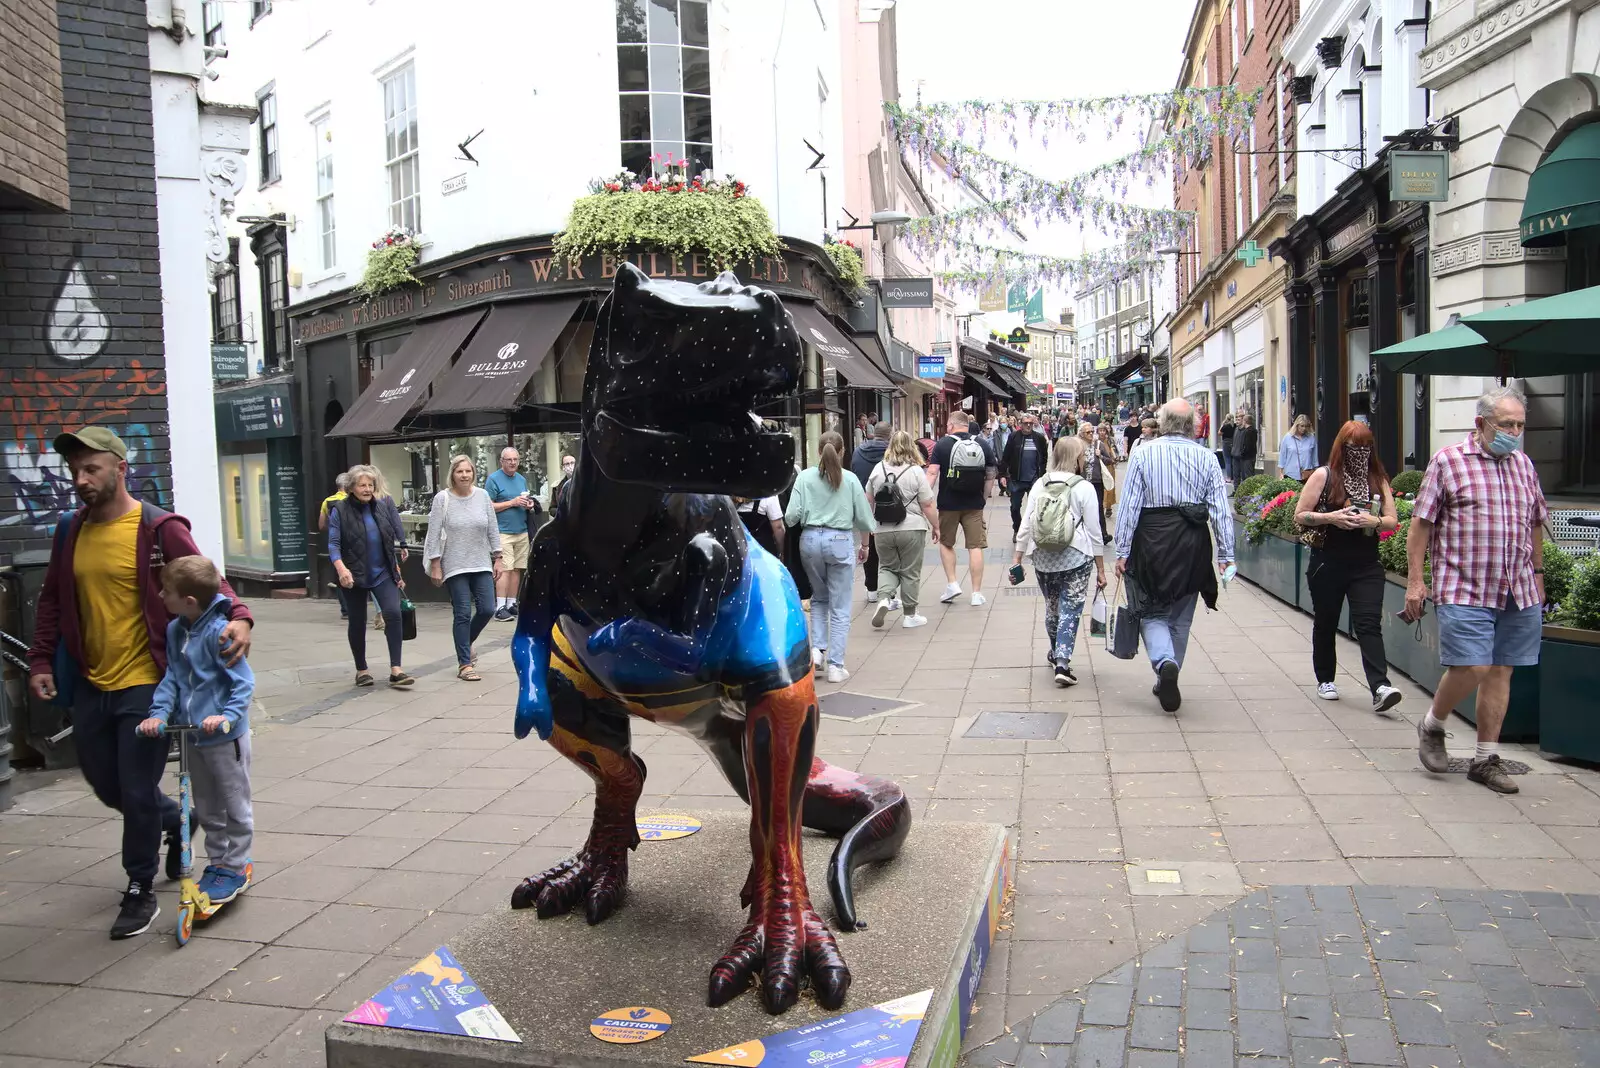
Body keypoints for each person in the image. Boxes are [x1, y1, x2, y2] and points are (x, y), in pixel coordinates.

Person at [27, 426, 254, 940]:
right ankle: (175, 818)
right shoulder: (69, 530)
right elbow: (53, 602)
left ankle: (139, 887)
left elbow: (207, 579)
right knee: (106, 785)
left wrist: (239, 615)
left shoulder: (156, 527)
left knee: (134, 786)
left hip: (148, 683)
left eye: (91, 469)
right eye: (75, 470)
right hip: (89, 681)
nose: (80, 479)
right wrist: (42, 661)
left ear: (120, 468)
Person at [1407, 386, 1548, 795]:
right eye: (1506, 424)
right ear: (1481, 424)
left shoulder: (1523, 464)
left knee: (1501, 669)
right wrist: (1416, 581)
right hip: (1464, 584)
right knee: (1473, 666)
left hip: (1516, 586)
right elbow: (1421, 524)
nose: (1515, 432)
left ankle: (1486, 759)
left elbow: (1536, 520)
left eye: (1520, 424)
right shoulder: (1448, 462)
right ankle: (1433, 724)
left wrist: (1538, 573)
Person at [135, 556, 255, 910]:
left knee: (235, 804)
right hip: (192, 735)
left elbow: (243, 683)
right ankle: (216, 863)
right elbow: (173, 677)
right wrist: (157, 714)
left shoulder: (220, 633)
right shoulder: (176, 630)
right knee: (205, 805)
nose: (159, 595)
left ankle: (236, 866)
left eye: (166, 591)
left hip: (224, 737)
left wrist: (227, 716)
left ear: (189, 601)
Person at [1113, 399, 1234, 713]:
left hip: (1152, 541)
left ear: (1162, 423)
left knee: (1151, 610)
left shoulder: (1143, 454)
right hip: (1192, 543)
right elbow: (1221, 509)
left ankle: (1164, 663)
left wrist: (1122, 550)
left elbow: (1129, 508)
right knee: (1180, 616)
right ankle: (1170, 671)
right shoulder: (1207, 457)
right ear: (1192, 424)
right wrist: (1226, 554)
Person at [1294, 422, 1403, 711]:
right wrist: (1333, 517)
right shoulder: (1324, 475)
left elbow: (1392, 519)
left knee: (1368, 623)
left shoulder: (1377, 478)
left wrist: (1374, 522)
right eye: (1355, 447)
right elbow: (1301, 515)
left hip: (1366, 564)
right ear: (1342, 448)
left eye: (1366, 447)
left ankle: (1380, 686)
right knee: (1326, 620)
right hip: (1328, 561)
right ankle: (1325, 678)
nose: (1361, 453)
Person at [1013, 435, 1106, 686]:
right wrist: (1100, 567)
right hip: (1076, 555)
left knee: (1052, 607)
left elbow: (1026, 522)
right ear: (1077, 458)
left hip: (1043, 556)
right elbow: (1095, 531)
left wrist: (1018, 556)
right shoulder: (1083, 487)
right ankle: (1063, 661)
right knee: (1071, 609)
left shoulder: (1039, 484)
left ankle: (1055, 652)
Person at [785, 431, 875, 683]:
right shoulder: (851, 480)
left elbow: (791, 516)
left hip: (811, 540)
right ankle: (836, 664)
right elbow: (864, 519)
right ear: (842, 451)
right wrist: (865, 546)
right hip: (840, 541)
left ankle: (816, 652)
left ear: (818, 451)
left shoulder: (804, 478)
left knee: (819, 598)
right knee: (840, 604)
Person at [329, 465, 413, 688]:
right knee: (357, 621)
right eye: (362, 485)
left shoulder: (382, 507)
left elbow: (387, 542)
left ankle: (397, 669)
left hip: (382, 572)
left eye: (370, 485)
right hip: (353, 574)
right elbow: (333, 544)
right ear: (351, 488)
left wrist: (396, 570)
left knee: (393, 613)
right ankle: (362, 670)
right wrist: (341, 569)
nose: (367, 489)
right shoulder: (340, 510)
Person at [424, 455, 504, 682]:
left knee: (488, 608)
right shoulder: (442, 499)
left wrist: (498, 557)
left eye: (468, 471)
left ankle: (465, 643)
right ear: (453, 474)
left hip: (480, 561)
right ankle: (465, 664)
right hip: (454, 564)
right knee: (461, 612)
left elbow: (492, 528)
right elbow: (434, 532)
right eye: (460, 472)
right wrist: (435, 563)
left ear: (473, 473)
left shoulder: (483, 496)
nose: (465, 475)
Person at [865, 430, 938, 631]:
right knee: (910, 571)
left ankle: (883, 599)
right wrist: (936, 526)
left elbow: (868, 499)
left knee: (887, 567)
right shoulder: (915, 471)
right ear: (911, 447)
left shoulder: (877, 469)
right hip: (912, 527)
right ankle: (910, 615)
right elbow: (928, 504)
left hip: (882, 529)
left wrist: (870, 524)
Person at [929, 409, 997, 606]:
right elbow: (991, 474)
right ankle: (976, 593)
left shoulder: (942, 444)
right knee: (975, 546)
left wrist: (924, 497)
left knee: (946, 543)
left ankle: (952, 584)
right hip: (974, 504)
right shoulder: (982, 443)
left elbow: (932, 473)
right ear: (967, 425)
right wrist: (983, 499)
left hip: (948, 503)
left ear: (950, 425)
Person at [486, 447, 538, 621]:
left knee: (517, 569)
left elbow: (522, 501)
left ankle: (511, 603)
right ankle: (499, 606)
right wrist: (512, 502)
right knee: (505, 569)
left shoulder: (521, 479)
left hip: (521, 530)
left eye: (515, 459)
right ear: (502, 461)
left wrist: (528, 504)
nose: (513, 462)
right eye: (509, 460)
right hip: (502, 531)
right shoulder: (493, 480)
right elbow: (488, 506)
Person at [850, 422, 892, 603]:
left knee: (868, 547)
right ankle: (888, 588)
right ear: (890, 435)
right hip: (889, 506)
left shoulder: (858, 452)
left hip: (864, 505)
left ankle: (872, 588)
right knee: (889, 549)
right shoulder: (891, 454)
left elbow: (855, 474)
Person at [999, 412, 1050, 540]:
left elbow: (1044, 457)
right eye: (1026, 423)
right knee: (1015, 507)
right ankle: (1017, 528)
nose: (1028, 426)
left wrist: (1041, 474)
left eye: (1030, 423)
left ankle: (1035, 532)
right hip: (1017, 479)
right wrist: (1003, 474)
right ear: (1020, 424)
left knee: (1036, 508)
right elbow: (1006, 457)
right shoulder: (1014, 437)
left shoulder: (1039, 438)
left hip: (1034, 479)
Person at [1279, 414, 1317, 481]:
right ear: (1296, 425)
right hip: (1290, 475)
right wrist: (1281, 473)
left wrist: (1315, 472)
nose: (1304, 428)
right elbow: (1282, 456)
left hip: (1307, 475)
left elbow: (1315, 458)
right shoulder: (1287, 438)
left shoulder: (1311, 438)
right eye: (1302, 426)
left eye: (1306, 426)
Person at [1231, 411, 1259, 486]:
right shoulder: (1236, 429)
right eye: (1236, 419)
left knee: (1246, 475)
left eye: (1239, 420)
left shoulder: (1247, 431)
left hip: (1243, 456)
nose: (1237, 421)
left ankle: (1246, 491)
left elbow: (1247, 445)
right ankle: (1236, 490)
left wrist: (1242, 452)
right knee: (1236, 474)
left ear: (1244, 421)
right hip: (1235, 454)